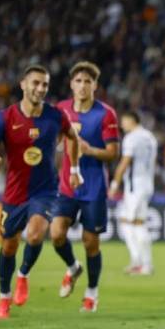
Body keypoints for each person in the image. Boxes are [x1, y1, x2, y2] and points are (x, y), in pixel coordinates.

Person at [0, 64, 81, 320]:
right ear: (23, 85)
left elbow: (73, 137)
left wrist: (74, 169)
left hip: (44, 191)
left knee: (35, 235)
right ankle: (4, 298)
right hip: (14, 193)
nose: (40, 88)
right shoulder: (5, 117)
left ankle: (23, 275)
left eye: (45, 84)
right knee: (8, 246)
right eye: (36, 83)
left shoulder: (56, 115)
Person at [52, 61, 120, 313]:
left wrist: (90, 150)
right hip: (67, 184)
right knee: (56, 234)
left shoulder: (106, 114)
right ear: (71, 84)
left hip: (93, 187)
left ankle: (92, 291)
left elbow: (112, 153)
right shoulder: (60, 110)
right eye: (78, 81)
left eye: (87, 82)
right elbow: (54, 142)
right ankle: (73, 267)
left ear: (95, 86)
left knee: (90, 243)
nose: (82, 86)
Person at [109, 111, 158, 276]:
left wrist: (114, 183)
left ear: (132, 121)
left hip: (135, 187)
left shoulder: (131, 138)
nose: (122, 125)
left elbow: (125, 162)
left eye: (124, 121)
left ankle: (144, 264)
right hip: (147, 183)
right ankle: (139, 261)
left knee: (135, 223)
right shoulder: (150, 137)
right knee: (129, 221)